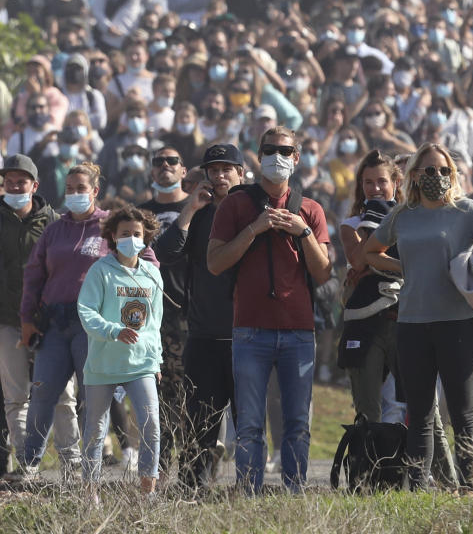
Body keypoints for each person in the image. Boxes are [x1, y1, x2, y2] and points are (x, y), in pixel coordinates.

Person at [365, 142, 473, 490]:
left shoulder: (467, 210)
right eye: (429, 170)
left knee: (464, 416)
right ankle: (417, 489)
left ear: (453, 174)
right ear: (414, 174)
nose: (437, 176)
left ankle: (471, 488)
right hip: (412, 324)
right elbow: (369, 253)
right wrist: (406, 268)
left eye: (444, 170)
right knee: (419, 415)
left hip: (458, 324)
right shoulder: (403, 214)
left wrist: (472, 269)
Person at [207, 126, 332, 493]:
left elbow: (324, 273)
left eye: (285, 150)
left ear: (296, 158)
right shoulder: (236, 204)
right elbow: (215, 262)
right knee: (248, 423)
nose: (276, 156)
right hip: (250, 330)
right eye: (269, 149)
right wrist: (254, 229)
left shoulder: (310, 209)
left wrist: (303, 232)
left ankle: (293, 494)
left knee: (297, 422)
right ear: (258, 156)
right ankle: (249, 493)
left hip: (298, 330)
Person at [17, 162, 156, 477]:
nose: (75, 194)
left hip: (94, 326)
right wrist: (26, 318)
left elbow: (147, 260)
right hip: (53, 323)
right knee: (42, 393)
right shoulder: (54, 229)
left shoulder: (111, 226)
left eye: (81, 188)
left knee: (91, 400)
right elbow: (33, 275)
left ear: (95, 191)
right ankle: (28, 465)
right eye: (70, 189)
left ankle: (89, 471)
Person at [0, 154, 81, 477]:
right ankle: (27, 464)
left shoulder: (56, 224)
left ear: (35, 185)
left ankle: (72, 465)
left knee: (62, 395)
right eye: (9, 181)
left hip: (52, 323)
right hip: (5, 321)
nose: (15, 186)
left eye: (21, 181)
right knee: (15, 399)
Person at [153, 143, 245, 491]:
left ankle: (249, 487)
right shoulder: (201, 213)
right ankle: (192, 486)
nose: (220, 176)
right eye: (213, 170)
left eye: (227, 169)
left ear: (240, 173)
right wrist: (190, 208)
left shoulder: (252, 211)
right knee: (199, 420)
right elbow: (165, 254)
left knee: (247, 420)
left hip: (246, 332)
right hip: (204, 332)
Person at [78, 206, 163, 499]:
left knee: (151, 424)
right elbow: (86, 311)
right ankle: (91, 494)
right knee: (95, 431)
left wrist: (157, 359)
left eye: (137, 234)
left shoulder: (152, 274)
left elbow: (155, 324)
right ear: (113, 236)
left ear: (146, 237)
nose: (131, 238)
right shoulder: (100, 271)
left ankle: (148, 492)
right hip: (102, 365)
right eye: (125, 233)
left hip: (141, 364)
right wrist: (114, 330)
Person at [338, 150, 402, 422]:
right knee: (368, 411)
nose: (375, 188)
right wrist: (373, 220)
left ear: (395, 183)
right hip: (364, 323)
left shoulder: (412, 219)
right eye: (368, 182)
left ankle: (403, 465)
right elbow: (359, 260)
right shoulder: (350, 225)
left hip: (405, 320)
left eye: (381, 181)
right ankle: (369, 464)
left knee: (403, 408)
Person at [138, 148, 189, 480]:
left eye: (172, 161)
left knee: (188, 395)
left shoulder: (199, 208)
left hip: (190, 312)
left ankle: (191, 473)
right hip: (150, 316)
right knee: (153, 395)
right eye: (158, 162)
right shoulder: (140, 214)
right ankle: (156, 469)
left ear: (183, 170)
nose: (165, 166)